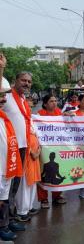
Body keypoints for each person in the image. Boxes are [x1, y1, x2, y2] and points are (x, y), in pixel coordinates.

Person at [2, 72, 33, 222]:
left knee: (15, 186)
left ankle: (11, 218)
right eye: (23, 80)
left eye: (29, 81)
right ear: (16, 80)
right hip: (9, 149)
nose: (26, 83)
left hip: (22, 147)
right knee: (6, 187)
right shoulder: (7, 96)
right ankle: (5, 222)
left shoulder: (23, 99)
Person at [0, 74, 25, 241]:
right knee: (2, 195)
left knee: (10, 192)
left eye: (3, 96)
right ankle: (3, 225)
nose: (3, 99)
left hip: (13, 155)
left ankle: (8, 221)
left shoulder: (3, 116)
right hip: (3, 163)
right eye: (0, 96)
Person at [36, 95, 66, 208]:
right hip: (44, 148)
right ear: (45, 104)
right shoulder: (39, 114)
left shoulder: (60, 113)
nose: (54, 103)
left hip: (57, 147)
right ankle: (43, 199)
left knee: (56, 172)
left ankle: (57, 196)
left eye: (55, 101)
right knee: (43, 173)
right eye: (51, 101)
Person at [15, 132, 40, 222]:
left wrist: (38, 150)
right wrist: (32, 152)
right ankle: (22, 211)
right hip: (27, 157)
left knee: (32, 184)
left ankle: (29, 207)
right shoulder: (22, 118)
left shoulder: (31, 119)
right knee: (24, 185)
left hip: (34, 158)